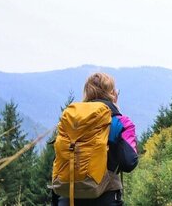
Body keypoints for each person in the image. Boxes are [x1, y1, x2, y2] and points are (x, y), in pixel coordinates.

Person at [51, 73, 139, 206]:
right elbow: (128, 162)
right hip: (106, 198)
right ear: (113, 94)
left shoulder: (71, 121)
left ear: (87, 93)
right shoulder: (120, 122)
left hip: (67, 198)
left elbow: (59, 159)